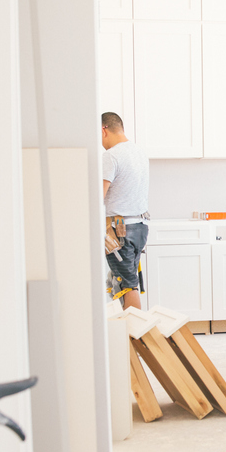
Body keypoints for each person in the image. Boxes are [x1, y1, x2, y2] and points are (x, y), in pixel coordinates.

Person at [101, 112, 149, 310]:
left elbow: (98, 196)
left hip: (119, 232)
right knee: (130, 283)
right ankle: (130, 334)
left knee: (126, 286)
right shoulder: (139, 152)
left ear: (103, 130)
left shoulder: (111, 155)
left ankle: (135, 337)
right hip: (139, 227)